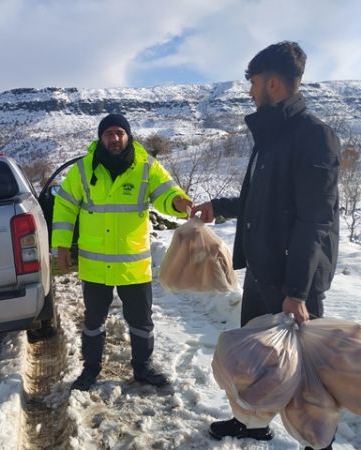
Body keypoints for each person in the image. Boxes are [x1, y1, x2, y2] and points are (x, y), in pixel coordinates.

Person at [191, 41, 340, 447]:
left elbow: (315, 220)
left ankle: (318, 442)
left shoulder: (315, 137)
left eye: (254, 83)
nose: (251, 92)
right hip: (262, 269)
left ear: (272, 83)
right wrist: (217, 207)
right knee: (256, 362)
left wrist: (296, 292)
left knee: (305, 378)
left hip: (295, 279)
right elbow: (262, 199)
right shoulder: (268, 138)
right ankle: (250, 422)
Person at [52, 113, 192, 391]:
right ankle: (90, 370)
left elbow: (165, 192)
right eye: (108, 134)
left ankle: (143, 368)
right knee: (93, 321)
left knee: (141, 321)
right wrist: (62, 245)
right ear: (100, 138)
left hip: (133, 264)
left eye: (119, 133)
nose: (114, 138)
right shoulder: (82, 170)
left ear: (128, 136)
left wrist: (176, 202)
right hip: (95, 265)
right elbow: (65, 208)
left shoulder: (146, 167)